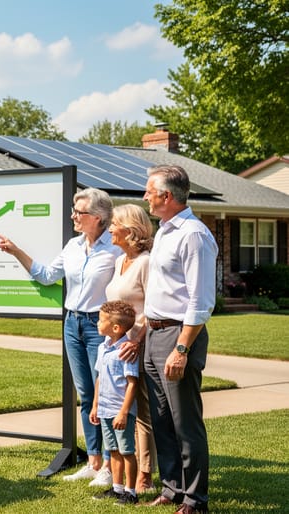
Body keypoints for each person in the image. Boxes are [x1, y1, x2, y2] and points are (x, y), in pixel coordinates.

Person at [0, 187, 121, 487]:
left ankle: (109, 465)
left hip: (99, 328)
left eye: (79, 212)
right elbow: (47, 275)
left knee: (104, 396)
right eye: (74, 211)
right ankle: (93, 461)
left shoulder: (115, 249)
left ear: (99, 217)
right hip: (72, 324)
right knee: (86, 395)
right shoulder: (73, 246)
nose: (73, 216)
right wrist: (15, 251)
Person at [141, 165, 216, 514]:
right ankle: (172, 488)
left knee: (185, 421)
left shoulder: (193, 235)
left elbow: (201, 302)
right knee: (162, 419)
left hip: (178, 336)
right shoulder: (164, 232)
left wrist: (182, 349)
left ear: (167, 196)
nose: (145, 197)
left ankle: (195, 499)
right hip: (154, 334)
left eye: (149, 191)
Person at [105, 203, 157, 494]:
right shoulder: (118, 261)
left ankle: (145, 475)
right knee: (121, 404)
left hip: (140, 345)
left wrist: (135, 339)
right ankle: (121, 471)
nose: (110, 228)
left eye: (114, 224)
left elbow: (152, 306)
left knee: (143, 411)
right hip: (118, 348)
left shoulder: (146, 262)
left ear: (130, 229)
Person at [90, 300, 140, 506]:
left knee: (127, 451)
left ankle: (131, 492)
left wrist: (123, 412)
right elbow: (100, 378)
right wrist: (95, 405)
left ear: (116, 327)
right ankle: (117, 488)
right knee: (113, 451)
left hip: (121, 412)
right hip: (105, 409)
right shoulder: (103, 348)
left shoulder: (126, 351)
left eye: (101, 320)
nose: (97, 324)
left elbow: (132, 384)